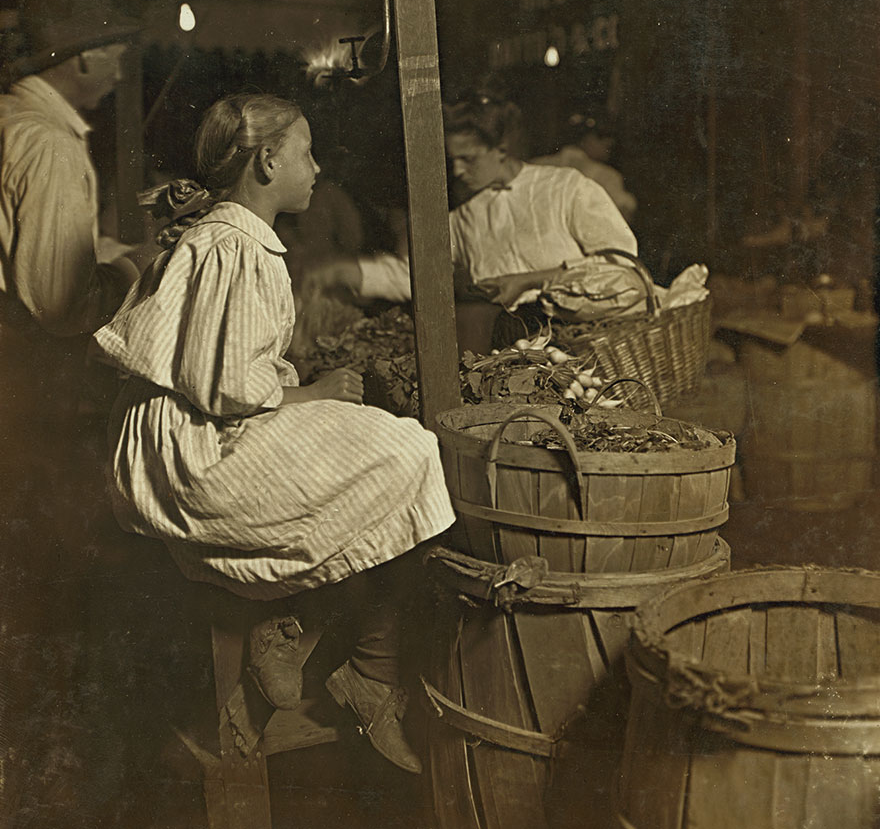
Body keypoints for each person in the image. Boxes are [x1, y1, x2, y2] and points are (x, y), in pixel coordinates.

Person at [93, 93, 456, 773]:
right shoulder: (234, 245)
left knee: (368, 443)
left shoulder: (225, 233)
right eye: (306, 153)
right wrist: (309, 392)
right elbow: (227, 385)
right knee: (411, 451)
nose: (316, 168)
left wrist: (304, 396)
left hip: (180, 433)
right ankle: (360, 665)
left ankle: (291, 631)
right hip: (193, 453)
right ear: (267, 161)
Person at [305, 93, 637, 350]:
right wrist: (351, 272)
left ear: (502, 149)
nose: (458, 171)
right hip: (519, 349)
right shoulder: (463, 217)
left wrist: (528, 281)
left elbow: (622, 268)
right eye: (453, 160)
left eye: (469, 159)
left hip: (595, 345)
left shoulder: (565, 188)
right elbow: (417, 275)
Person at [0, 0, 155, 469]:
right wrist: (137, 265)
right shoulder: (51, 146)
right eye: (117, 55)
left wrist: (102, 247)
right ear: (87, 56)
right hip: (25, 375)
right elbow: (59, 305)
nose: (121, 73)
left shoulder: (10, 119)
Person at [532, 110, 638, 223]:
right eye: (601, 135)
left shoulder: (535, 165)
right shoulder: (606, 176)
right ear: (583, 138)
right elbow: (622, 218)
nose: (610, 142)